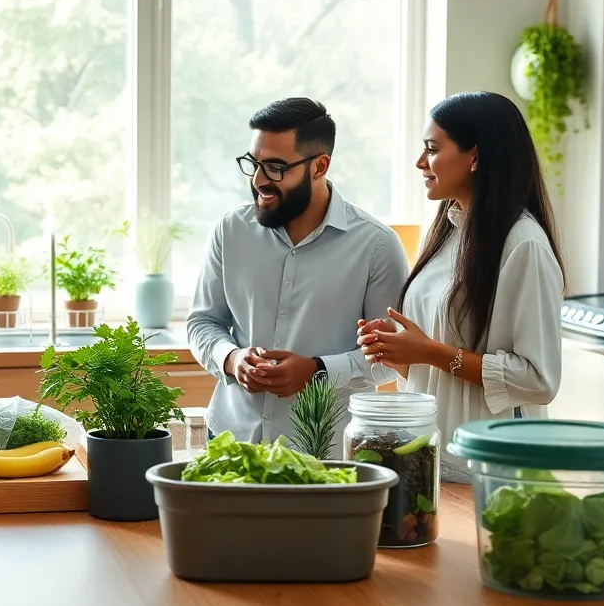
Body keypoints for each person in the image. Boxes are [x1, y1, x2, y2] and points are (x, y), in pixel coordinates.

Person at [358, 91, 564, 482]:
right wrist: (399, 350)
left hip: (490, 468)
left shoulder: (524, 246)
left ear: (476, 156)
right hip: (430, 454)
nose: (420, 162)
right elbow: (439, 357)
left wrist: (432, 352)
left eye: (432, 149)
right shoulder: (449, 232)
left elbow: (539, 379)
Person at [188, 98, 410, 444]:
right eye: (253, 164)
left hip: (325, 452)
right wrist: (232, 359)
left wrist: (318, 372)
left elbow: (392, 357)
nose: (259, 180)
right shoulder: (230, 231)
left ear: (319, 166)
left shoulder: (376, 246)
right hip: (231, 441)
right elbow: (202, 322)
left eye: (275, 167)